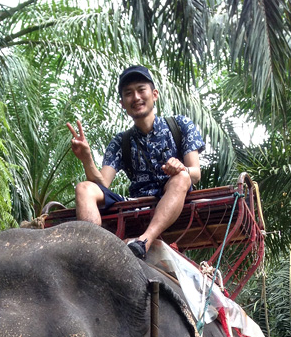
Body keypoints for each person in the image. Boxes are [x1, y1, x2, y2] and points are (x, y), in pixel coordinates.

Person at [66, 65, 205, 259]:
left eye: (141, 90)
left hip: (171, 194)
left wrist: (181, 168)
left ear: (154, 94)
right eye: (129, 93)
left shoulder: (180, 125)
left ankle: (143, 241)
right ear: (123, 103)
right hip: (135, 201)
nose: (136, 97)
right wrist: (87, 158)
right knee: (83, 188)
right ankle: (92, 252)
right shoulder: (121, 141)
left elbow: (196, 174)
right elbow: (102, 184)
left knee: (182, 177)